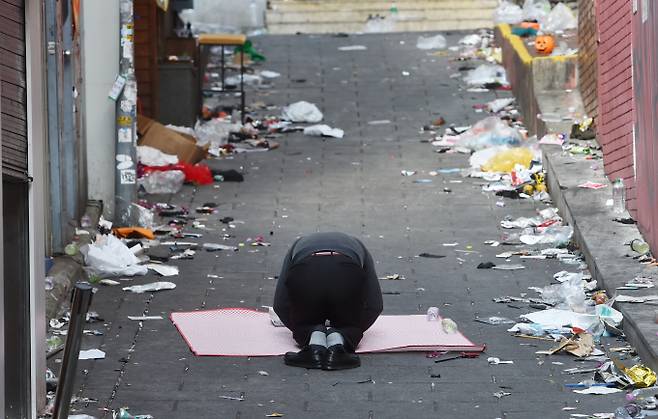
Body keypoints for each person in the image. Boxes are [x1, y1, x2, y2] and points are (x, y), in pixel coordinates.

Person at [273, 232, 383, 370]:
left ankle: (314, 343)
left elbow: (280, 304)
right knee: (347, 323)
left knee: (306, 322)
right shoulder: (359, 245)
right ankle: (338, 343)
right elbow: (374, 305)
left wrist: (300, 329)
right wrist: (353, 330)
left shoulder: (298, 243)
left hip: (306, 272)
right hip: (346, 273)